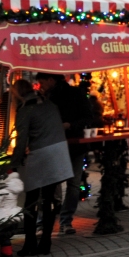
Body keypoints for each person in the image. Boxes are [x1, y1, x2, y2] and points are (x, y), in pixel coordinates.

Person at [10, 79, 74, 256]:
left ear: (17, 94)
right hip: (59, 152)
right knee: (49, 199)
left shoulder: (25, 109)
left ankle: (30, 244)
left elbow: (21, 141)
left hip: (41, 155)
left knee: (31, 200)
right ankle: (45, 242)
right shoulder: (49, 104)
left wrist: (14, 163)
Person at [35, 72, 93, 235]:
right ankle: (53, 222)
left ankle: (57, 222)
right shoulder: (45, 96)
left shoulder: (74, 94)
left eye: (42, 82)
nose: (41, 86)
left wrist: (70, 125)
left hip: (70, 145)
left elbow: (88, 118)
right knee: (59, 185)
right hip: (59, 145)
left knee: (67, 185)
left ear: (51, 79)